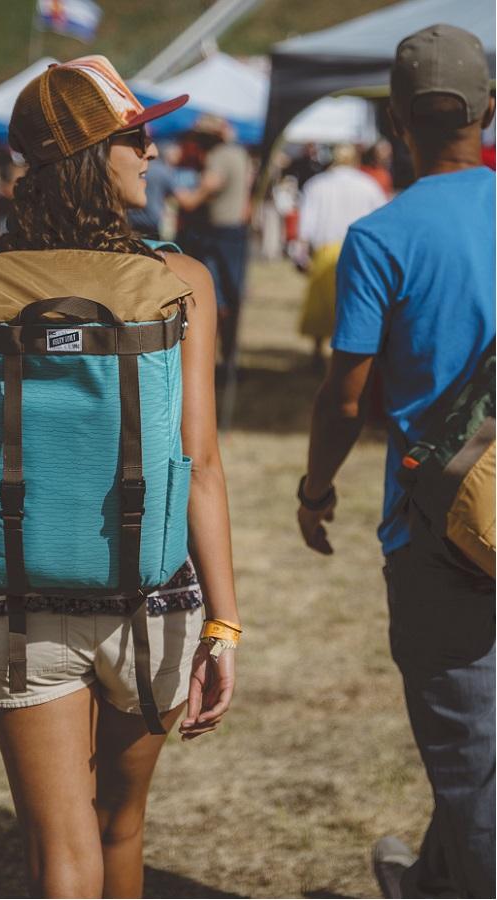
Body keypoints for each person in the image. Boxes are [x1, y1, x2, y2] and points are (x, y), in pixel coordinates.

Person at [0, 56, 239, 900]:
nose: (152, 152)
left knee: (59, 855)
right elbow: (203, 463)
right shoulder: (180, 284)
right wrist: (226, 626)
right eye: (136, 136)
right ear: (90, 153)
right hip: (155, 604)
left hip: (23, 602)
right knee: (121, 827)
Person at [296, 24, 495, 899]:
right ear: (489, 109)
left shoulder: (379, 240)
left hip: (440, 526)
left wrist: (316, 488)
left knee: (469, 748)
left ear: (396, 122)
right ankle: (427, 884)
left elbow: (347, 397)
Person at [294, 144, 386, 368]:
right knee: (352, 305)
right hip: (358, 251)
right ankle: (348, 357)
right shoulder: (368, 185)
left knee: (322, 304)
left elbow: (307, 223)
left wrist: (300, 252)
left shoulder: (317, 185)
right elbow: (381, 218)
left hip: (326, 250)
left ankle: (318, 352)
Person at [175, 115, 252, 368]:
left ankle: (215, 357)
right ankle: (230, 358)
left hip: (219, 234)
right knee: (233, 297)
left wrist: (188, 197)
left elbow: (209, 185)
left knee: (216, 298)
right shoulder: (240, 153)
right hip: (236, 231)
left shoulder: (219, 155)